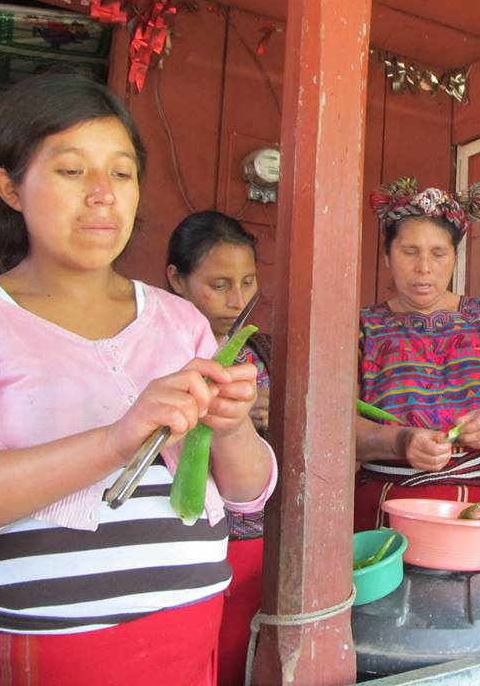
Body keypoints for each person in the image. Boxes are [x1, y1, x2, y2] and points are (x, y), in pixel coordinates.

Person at [0, 73, 277, 686]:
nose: (103, 196)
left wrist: (229, 427)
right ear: (9, 187)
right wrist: (116, 439)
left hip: (192, 625)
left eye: (121, 174)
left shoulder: (179, 321)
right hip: (53, 648)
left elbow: (247, 493)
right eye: (72, 171)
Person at [354, 176, 480, 567]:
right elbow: (335, 423)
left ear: (455, 258)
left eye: (438, 253)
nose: (423, 267)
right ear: (387, 256)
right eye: (409, 251)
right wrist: (400, 441)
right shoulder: (361, 328)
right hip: (394, 508)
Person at [166, 211, 270, 686]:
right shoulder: (157, 348)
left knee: (239, 661)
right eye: (220, 284)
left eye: (248, 282)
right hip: (174, 547)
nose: (238, 299)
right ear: (177, 280)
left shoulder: (261, 350)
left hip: (254, 539)